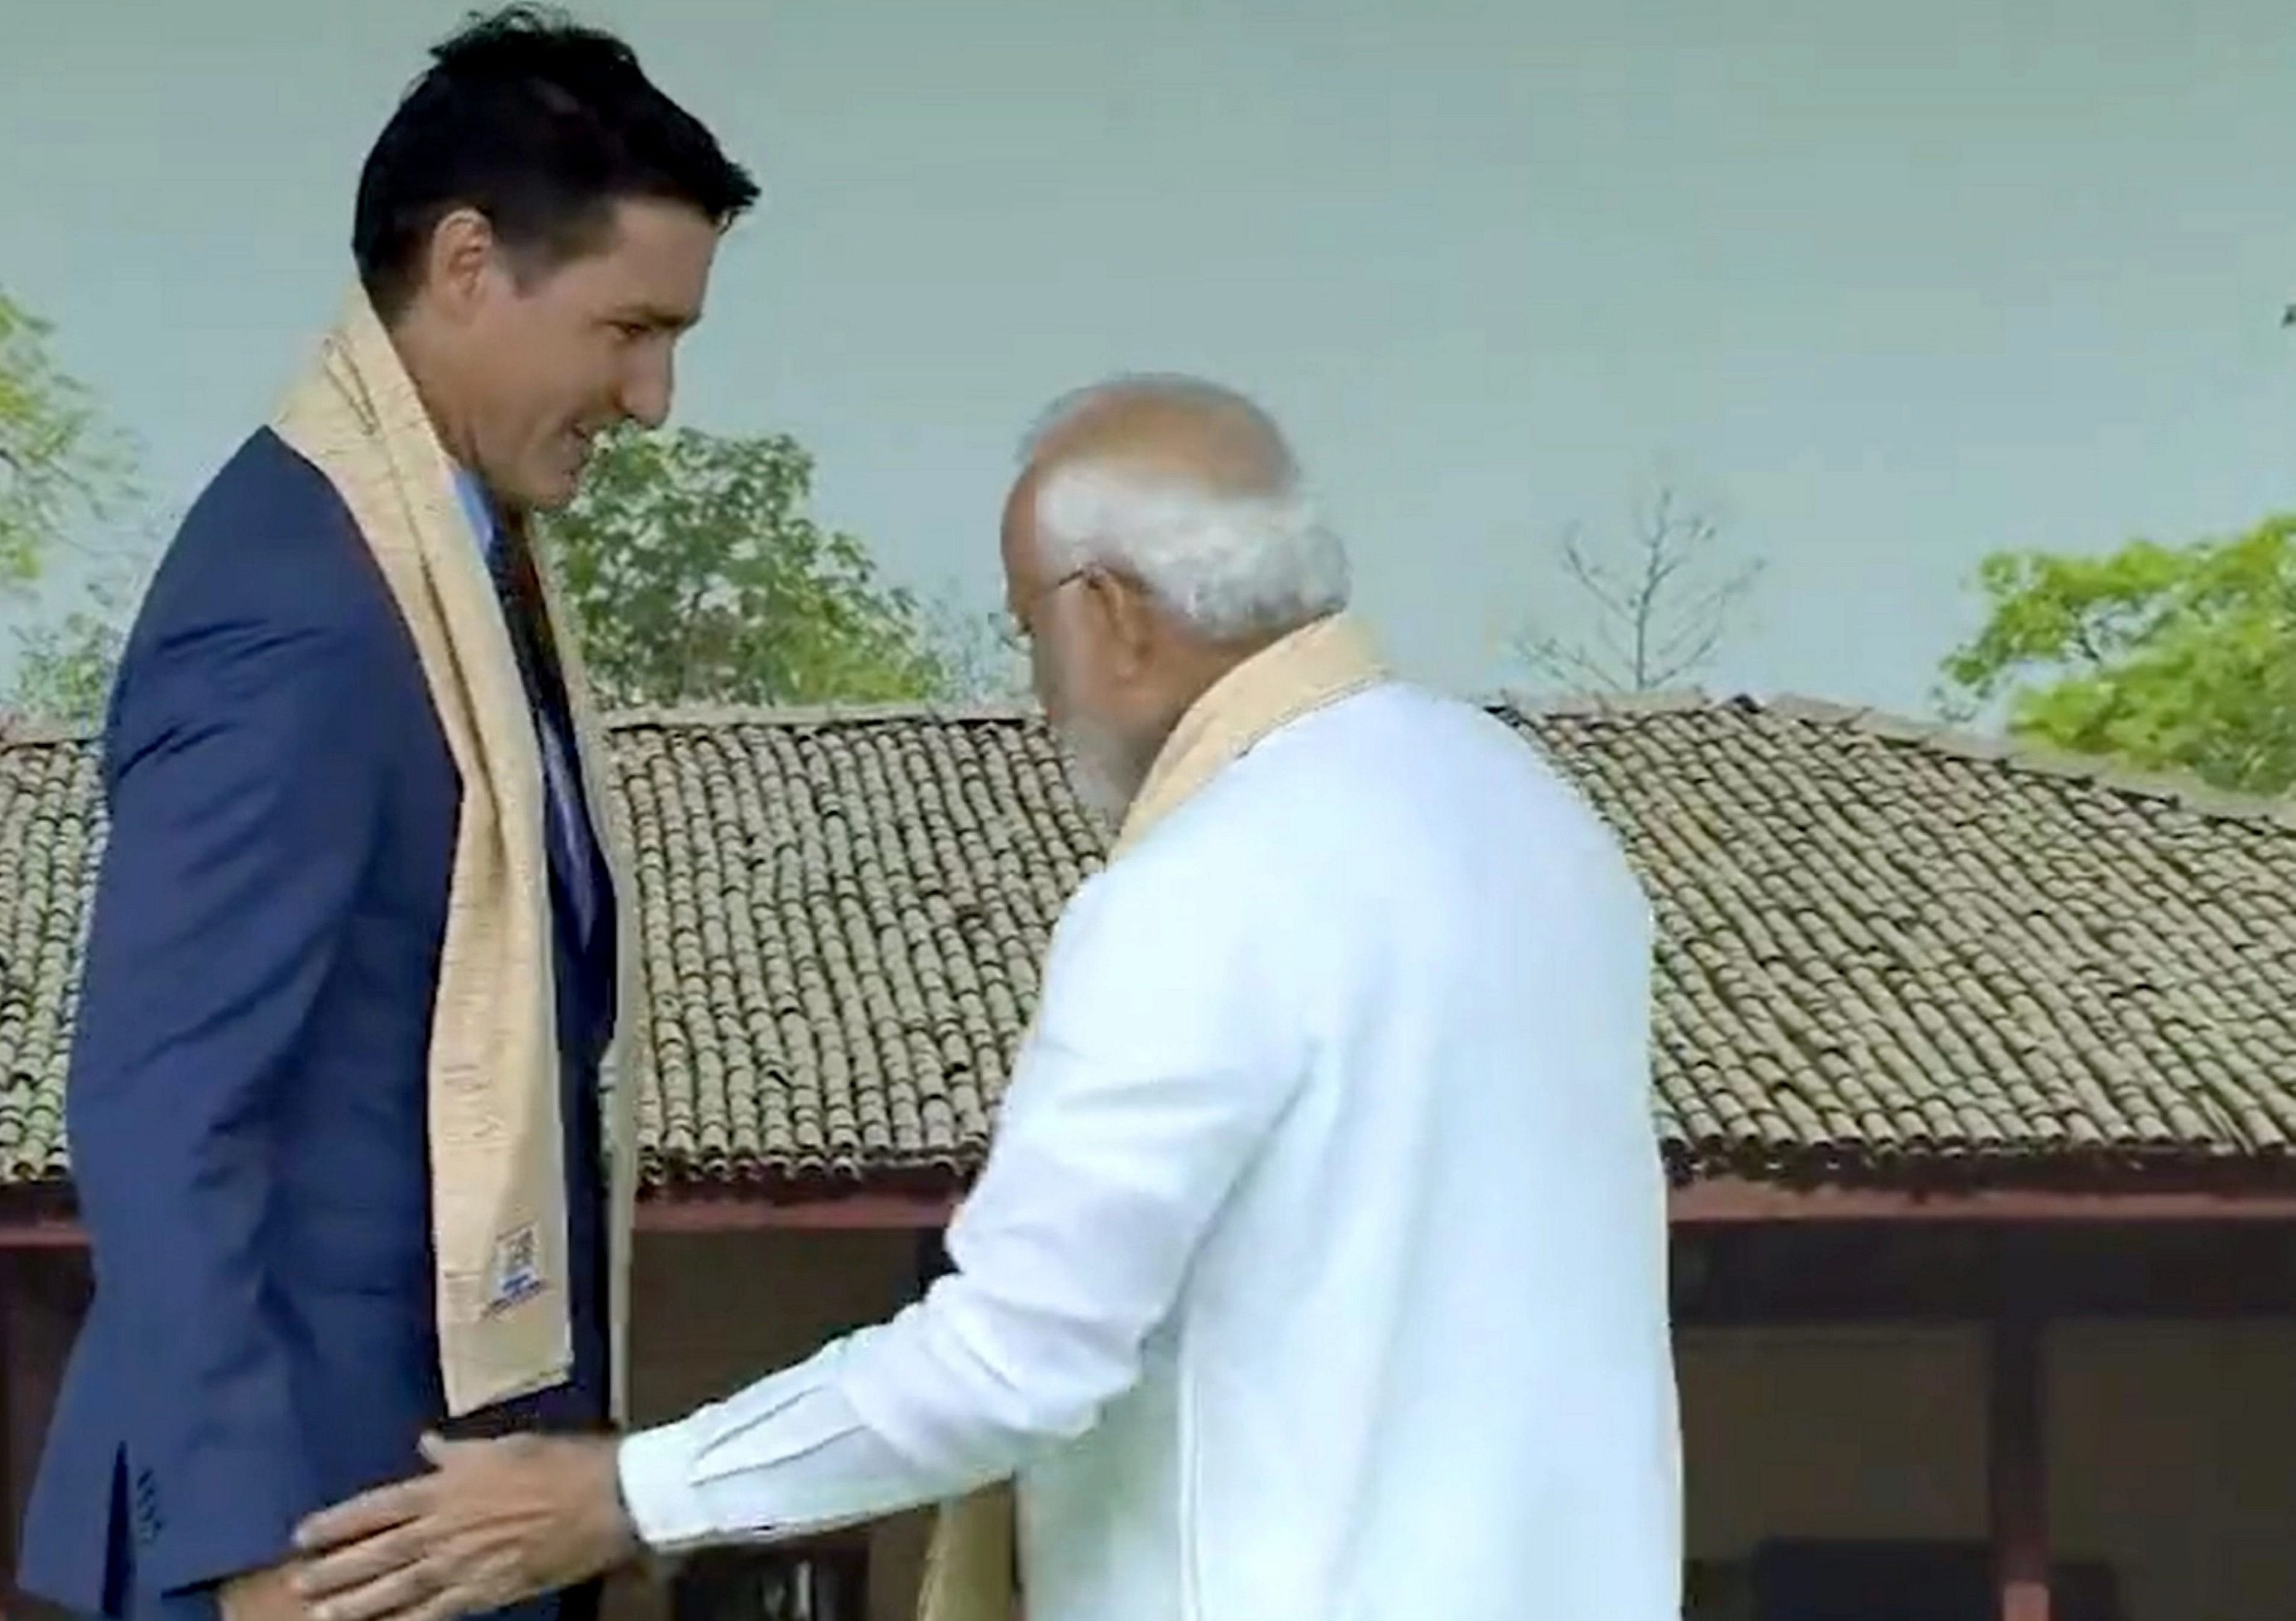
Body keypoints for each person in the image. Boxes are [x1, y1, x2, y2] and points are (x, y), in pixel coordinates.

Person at [281, 375, 1684, 1621]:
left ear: (1112, 613)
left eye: (1028, 629)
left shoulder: (1213, 882)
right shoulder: (1534, 826)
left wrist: (622, 1496)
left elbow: (1013, 1358)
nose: (1032, 693)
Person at [13, 12, 757, 1621]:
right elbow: (162, 1098)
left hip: (450, 1512)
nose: (654, 397)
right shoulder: (300, 598)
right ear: (470, 261)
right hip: (316, 1534)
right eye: (629, 328)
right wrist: (247, 1548)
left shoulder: (470, 574)